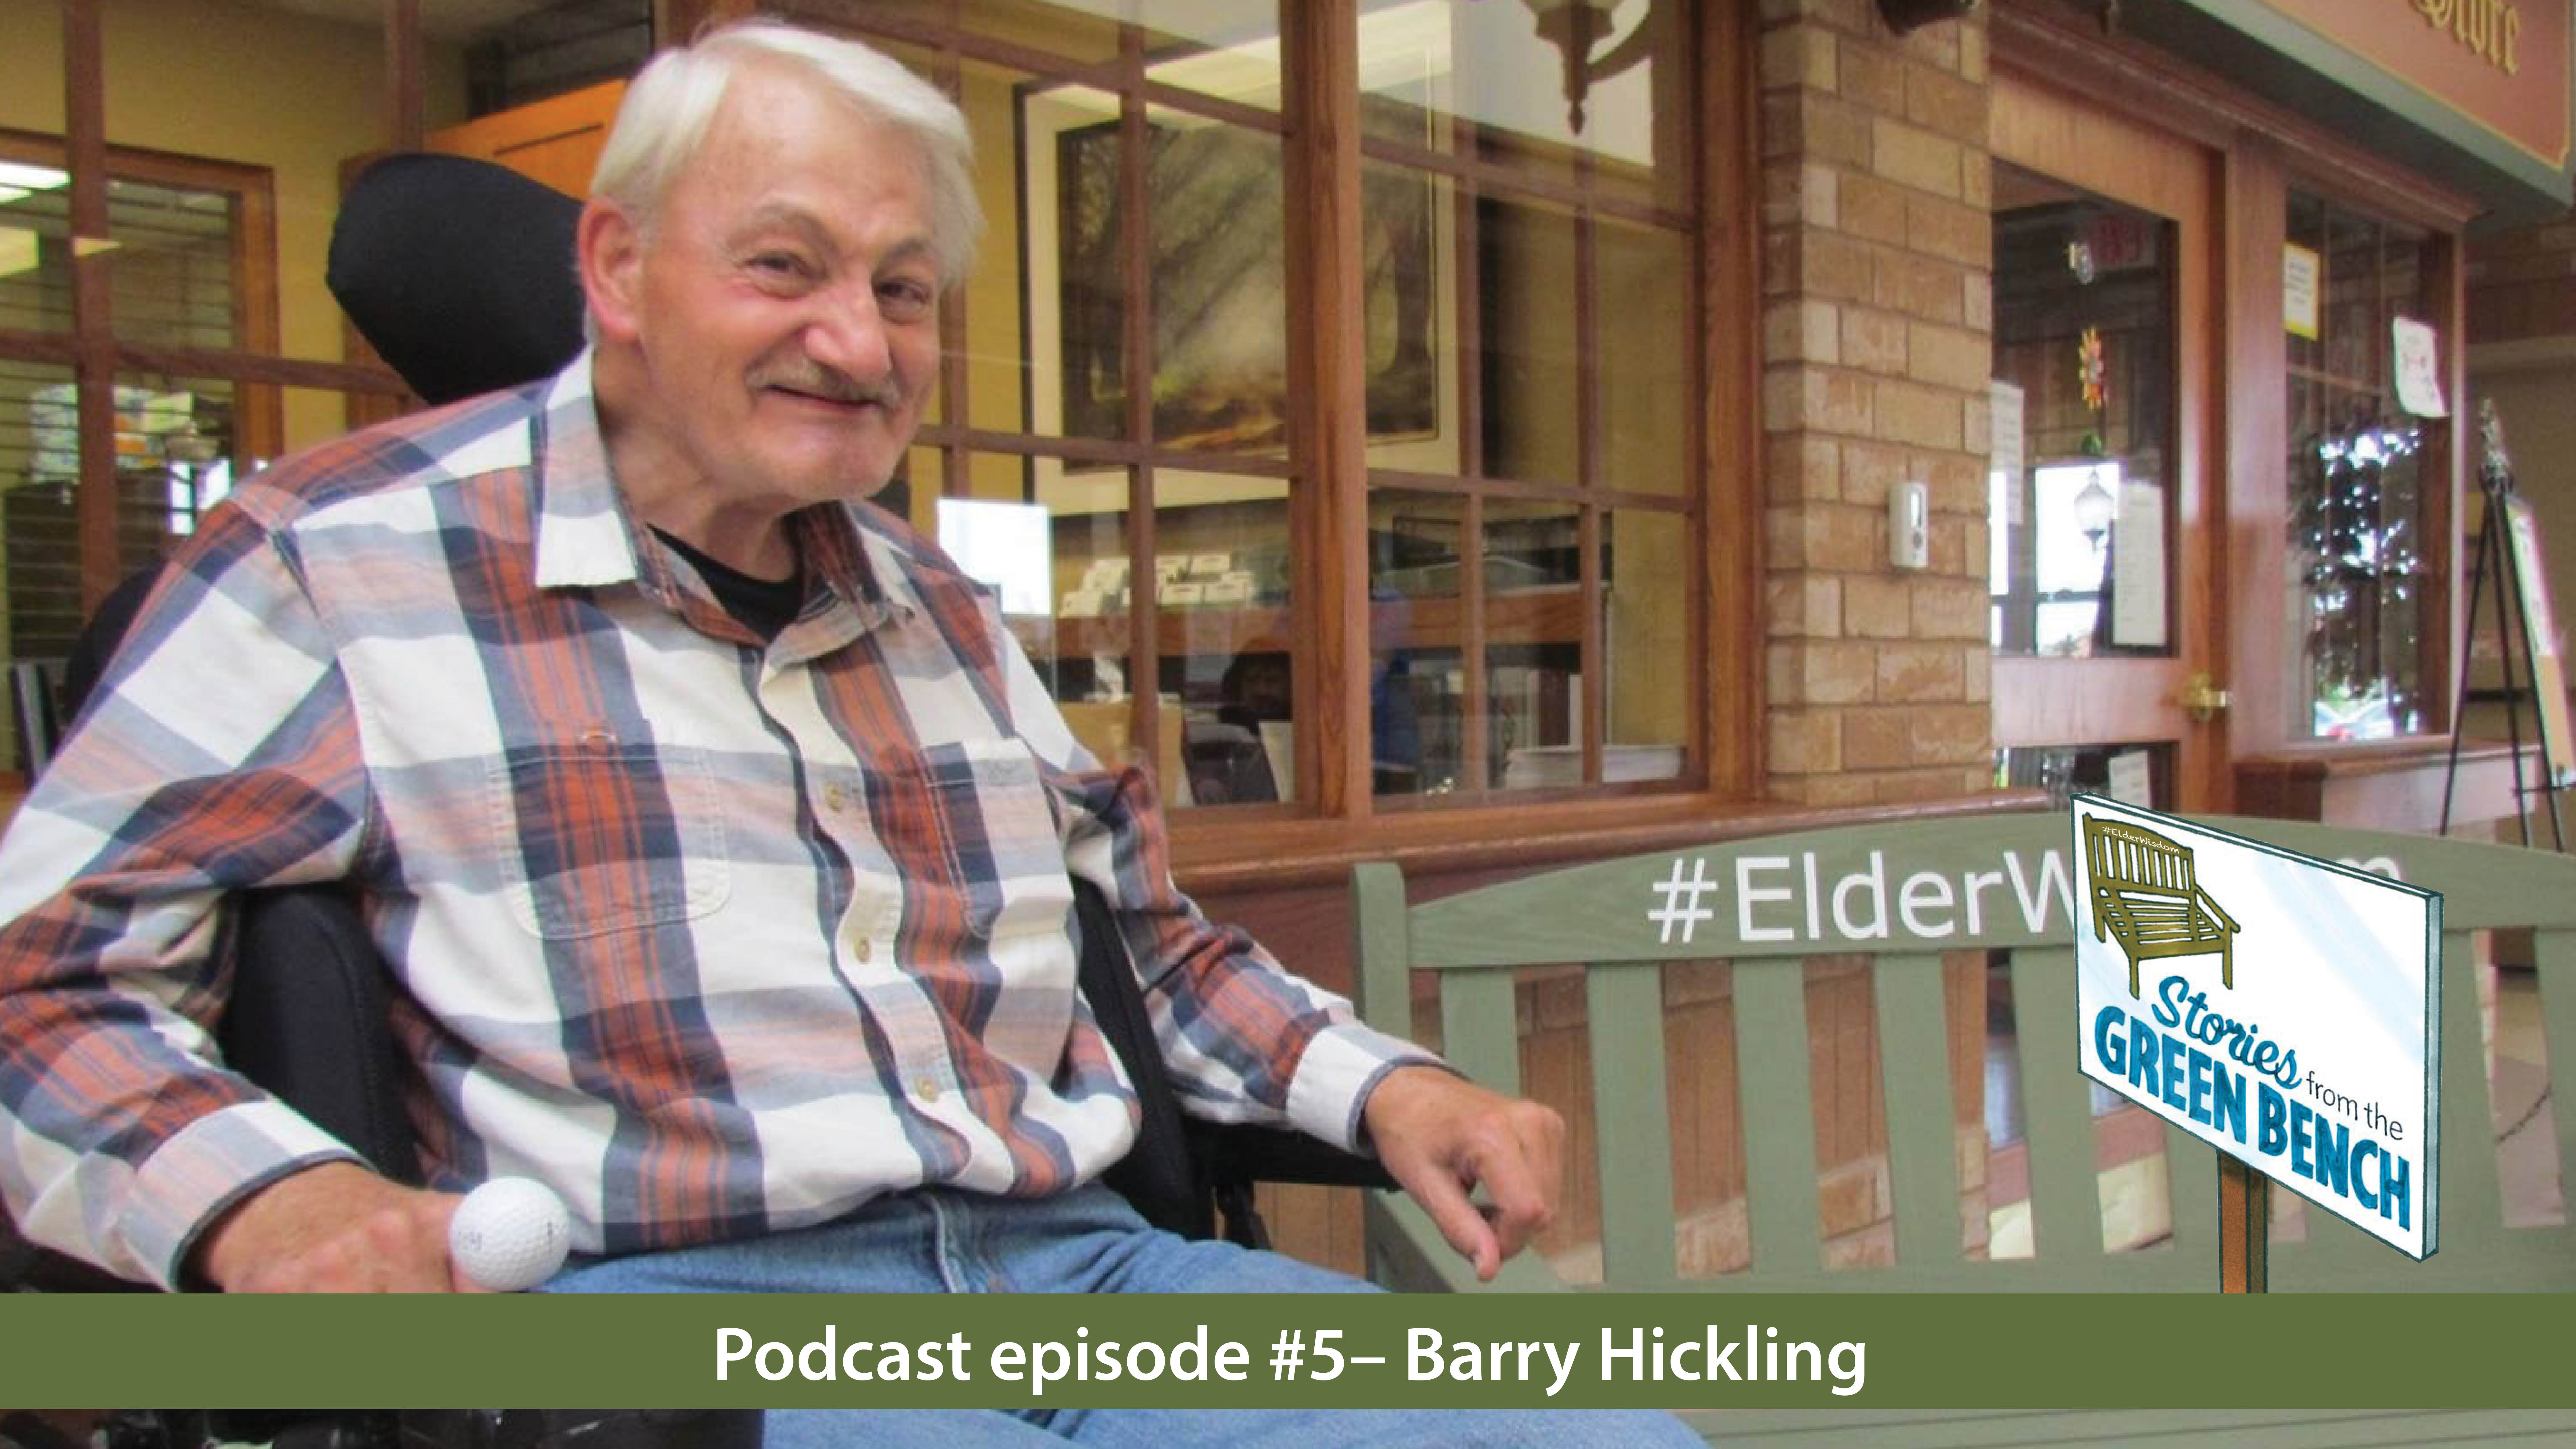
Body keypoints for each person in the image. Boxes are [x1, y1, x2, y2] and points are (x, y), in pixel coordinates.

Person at [0, 20, 1694, 1448]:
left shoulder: (944, 611)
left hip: (1084, 1276)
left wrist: (1388, 1080)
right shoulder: (337, 563)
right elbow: (43, 977)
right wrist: (259, 1194)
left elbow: (1145, 952)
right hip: (680, 1330)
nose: (856, 339)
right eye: (784, 266)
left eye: (902, 288)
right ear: (618, 268)